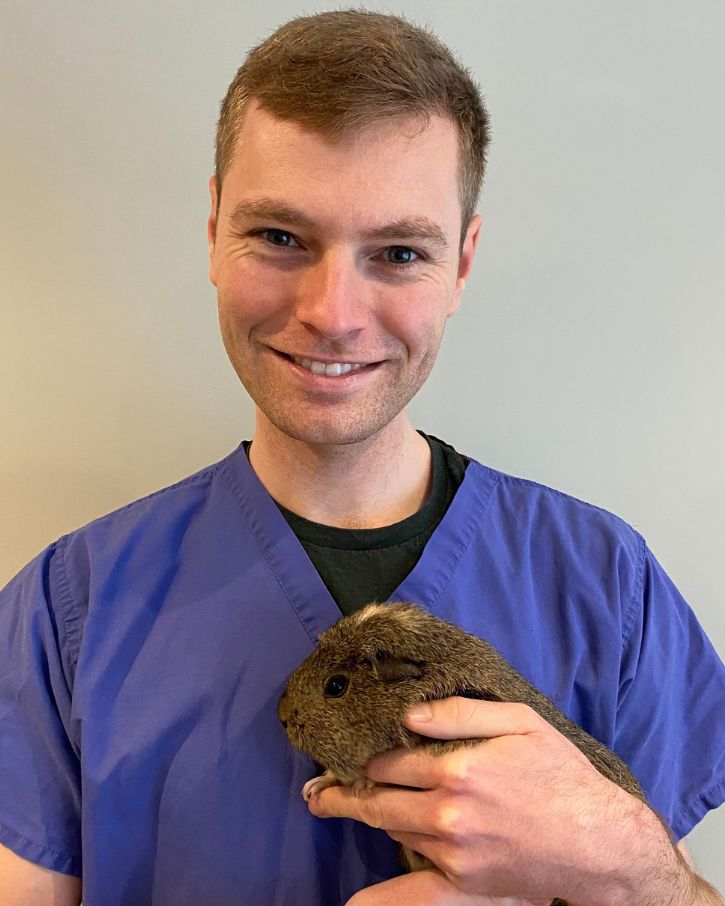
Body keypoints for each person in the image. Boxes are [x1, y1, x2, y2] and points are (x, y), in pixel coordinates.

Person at [0, 9, 723, 906]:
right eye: (279, 237)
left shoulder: (606, 586)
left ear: (459, 265)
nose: (333, 314)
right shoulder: (65, 612)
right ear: (215, 228)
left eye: (397, 251)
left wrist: (637, 876)